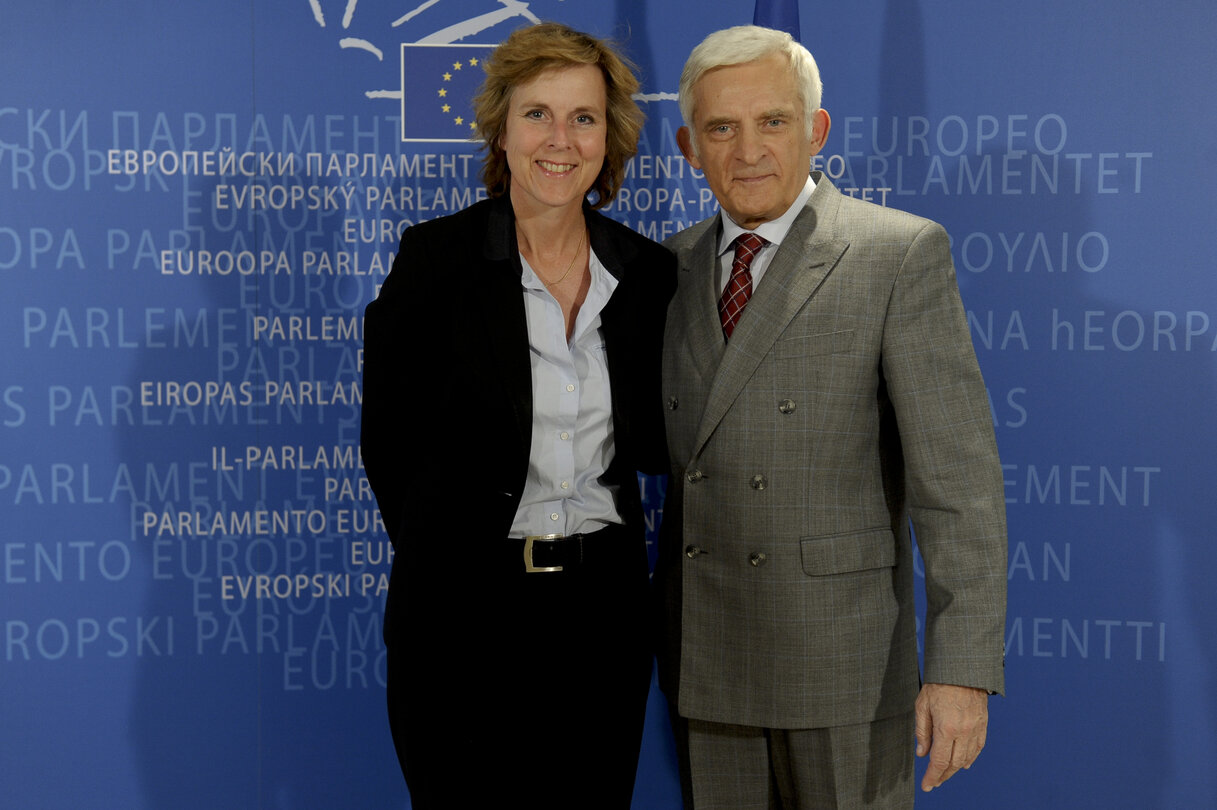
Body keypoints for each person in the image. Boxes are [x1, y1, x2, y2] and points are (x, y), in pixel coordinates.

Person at [655, 25, 1007, 809]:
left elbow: (959, 484)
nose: (748, 150)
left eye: (772, 122)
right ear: (688, 146)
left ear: (815, 131)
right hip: (708, 658)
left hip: (843, 663)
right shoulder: (667, 269)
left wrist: (960, 669)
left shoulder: (895, 253)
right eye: (722, 128)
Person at [360, 22, 675, 810]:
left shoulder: (647, 274)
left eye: (583, 117)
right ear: (501, 130)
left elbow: (655, 440)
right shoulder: (436, 260)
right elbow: (388, 443)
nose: (559, 140)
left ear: (611, 136)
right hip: (462, 618)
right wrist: (452, 560)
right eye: (537, 114)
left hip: (602, 617)